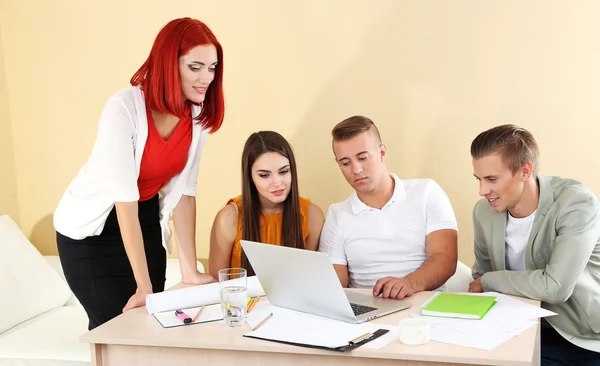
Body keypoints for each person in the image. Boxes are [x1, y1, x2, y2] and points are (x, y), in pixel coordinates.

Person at [53, 17, 224, 330]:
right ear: (168, 64)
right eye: (195, 67)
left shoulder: (196, 116)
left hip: (143, 219)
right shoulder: (124, 108)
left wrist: (190, 270)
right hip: (93, 233)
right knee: (115, 329)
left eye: (212, 68)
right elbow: (124, 200)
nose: (206, 78)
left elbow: (186, 192)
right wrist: (143, 287)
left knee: (150, 327)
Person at [469, 124, 600, 364]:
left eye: (491, 179)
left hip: (584, 338)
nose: (482, 190)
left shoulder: (576, 203)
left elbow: (555, 288)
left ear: (525, 171)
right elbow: (480, 278)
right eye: (478, 178)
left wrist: (490, 281)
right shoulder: (483, 213)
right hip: (520, 333)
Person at [319, 115, 458, 300]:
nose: (356, 169)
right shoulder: (337, 214)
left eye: (362, 157)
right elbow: (335, 287)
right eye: (345, 163)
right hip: (369, 314)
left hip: (428, 308)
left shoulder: (426, 192)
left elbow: (445, 259)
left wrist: (409, 283)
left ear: (382, 152)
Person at [208, 131, 325, 277]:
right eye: (264, 175)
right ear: (249, 176)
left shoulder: (312, 216)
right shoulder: (229, 218)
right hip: (242, 299)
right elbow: (217, 282)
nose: (277, 183)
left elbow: (307, 278)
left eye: (284, 172)